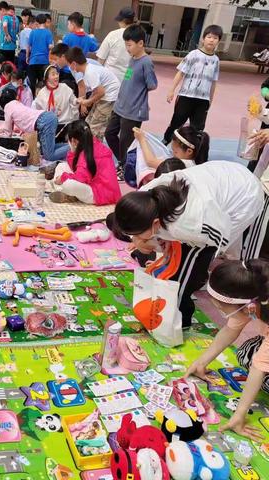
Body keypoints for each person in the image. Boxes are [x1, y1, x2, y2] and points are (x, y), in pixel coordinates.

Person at [112, 161, 266, 328]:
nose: (135, 239)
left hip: (244, 195)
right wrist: (141, 239)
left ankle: (178, 316)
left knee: (190, 265)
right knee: (174, 255)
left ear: (156, 223)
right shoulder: (143, 196)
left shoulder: (191, 224)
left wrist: (180, 248)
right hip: (222, 177)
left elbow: (218, 237)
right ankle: (175, 300)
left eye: (137, 234)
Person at [184, 259, 268, 441]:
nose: (221, 312)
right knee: (246, 352)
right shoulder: (253, 297)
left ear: (248, 307)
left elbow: (259, 367)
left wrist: (239, 414)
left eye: (222, 309)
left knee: (260, 371)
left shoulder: (251, 305)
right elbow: (231, 329)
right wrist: (201, 362)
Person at [105, 25, 157, 175]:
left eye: (129, 45)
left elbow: (152, 84)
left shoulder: (146, 62)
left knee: (126, 141)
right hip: (120, 106)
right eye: (126, 44)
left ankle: (125, 166)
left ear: (140, 43)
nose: (127, 48)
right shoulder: (132, 59)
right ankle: (124, 162)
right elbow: (127, 79)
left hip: (133, 110)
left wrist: (139, 96)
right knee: (110, 134)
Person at [163, 24, 222, 145]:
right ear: (203, 39)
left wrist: (210, 100)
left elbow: (213, 82)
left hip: (203, 100)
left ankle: (194, 153)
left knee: (198, 129)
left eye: (215, 38)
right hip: (186, 96)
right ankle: (165, 141)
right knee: (177, 123)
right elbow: (180, 73)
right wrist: (171, 90)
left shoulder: (216, 60)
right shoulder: (193, 54)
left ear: (218, 41)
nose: (212, 40)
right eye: (209, 37)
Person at [50, 120, 121, 206]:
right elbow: (74, 167)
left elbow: (81, 178)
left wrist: (63, 177)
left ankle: (63, 191)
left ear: (74, 141)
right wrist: (73, 152)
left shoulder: (88, 152)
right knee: (61, 166)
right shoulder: (90, 144)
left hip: (100, 193)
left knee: (69, 184)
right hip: (94, 184)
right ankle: (65, 192)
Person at [0, 88, 69, 162]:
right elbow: (24, 119)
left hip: (44, 121)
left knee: (49, 156)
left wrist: (1, 140)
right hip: (46, 117)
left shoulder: (7, 107)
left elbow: (8, 130)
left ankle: (76, 148)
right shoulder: (17, 103)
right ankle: (70, 146)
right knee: (44, 150)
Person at [66, 47, 120, 140]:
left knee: (94, 128)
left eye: (69, 65)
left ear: (74, 64)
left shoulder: (90, 73)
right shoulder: (88, 70)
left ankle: (94, 150)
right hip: (107, 95)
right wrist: (89, 101)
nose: (69, 68)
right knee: (88, 122)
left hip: (109, 97)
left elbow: (101, 92)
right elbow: (96, 90)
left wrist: (87, 102)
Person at [134, 126, 210, 170]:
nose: (173, 154)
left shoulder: (181, 165)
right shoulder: (200, 166)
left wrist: (141, 139)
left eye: (175, 152)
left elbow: (151, 161)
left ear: (189, 151)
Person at [34, 66, 79, 137]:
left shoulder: (64, 87)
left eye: (57, 73)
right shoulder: (42, 93)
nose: (56, 76)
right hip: (50, 127)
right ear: (46, 78)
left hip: (66, 124)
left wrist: (77, 102)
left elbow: (73, 101)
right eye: (53, 74)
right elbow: (39, 112)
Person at [96, 6, 134, 83]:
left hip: (109, 77)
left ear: (122, 20)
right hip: (126, 79)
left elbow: (101, 59)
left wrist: (97, 78)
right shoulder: (136, 37)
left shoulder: (112, 35)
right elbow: (134, 63)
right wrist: (127, 79)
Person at [27, 13, 54, 95]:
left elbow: (28, 46)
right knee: (42, 83)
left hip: (33, 61)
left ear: (37, 22)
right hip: (44, 61)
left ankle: (32, 100)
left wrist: (27, 57)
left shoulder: (33, 32)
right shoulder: (48, 33)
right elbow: (50, 46)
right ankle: (41, 99)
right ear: (45, 22)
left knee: (32, 83)